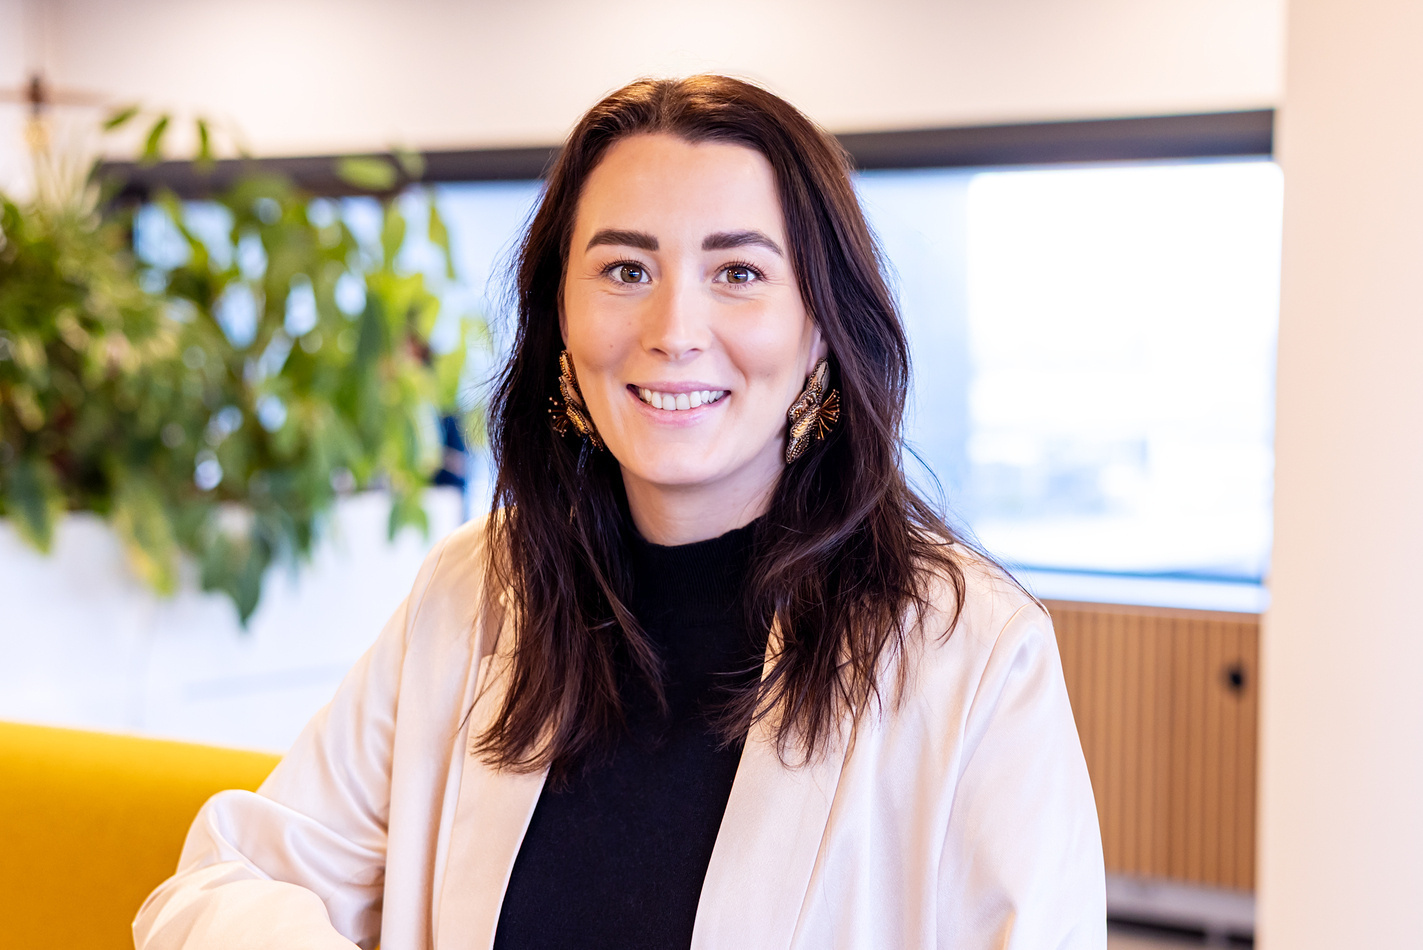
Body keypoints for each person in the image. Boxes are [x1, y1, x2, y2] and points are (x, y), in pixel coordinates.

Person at [133, 75, 1105, 950]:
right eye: (625, 270)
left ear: (819, 326)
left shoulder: (971, 649)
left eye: (738, 273)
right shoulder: (477, 593)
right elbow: (224, 882)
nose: (673, 330)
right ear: (559, 316)